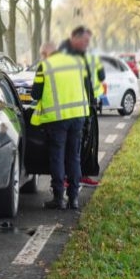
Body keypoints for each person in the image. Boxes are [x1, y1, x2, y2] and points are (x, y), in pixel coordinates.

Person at [30, 46, 90, 211]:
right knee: (74, 157)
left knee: (57, 157)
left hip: (57, 119)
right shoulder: (77, 63)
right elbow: (87, 87)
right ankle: (74, 198)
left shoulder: (45, 66)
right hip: (78, 116)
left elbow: (35, 93)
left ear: (47, 53)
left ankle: (59, 199)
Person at [59, 26, 104, 187]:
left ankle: (81, 174)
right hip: (72, 108)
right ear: (75, 38)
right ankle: (67, 178)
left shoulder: (84, 55)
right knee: (71, 146)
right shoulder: (65, 54)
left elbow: (98, 76)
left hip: (87, 105)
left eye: (88, 41)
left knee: (85, 144)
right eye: (85, 40)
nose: (87, 44)